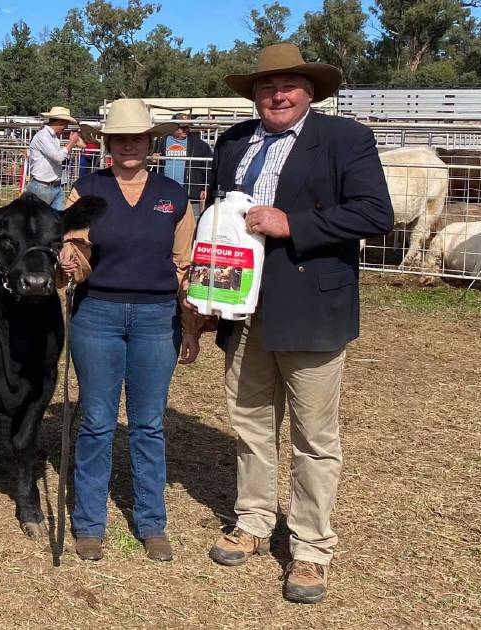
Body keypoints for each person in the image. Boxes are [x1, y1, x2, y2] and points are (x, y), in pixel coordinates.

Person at [200, 43, 393, 604]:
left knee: (313, 437)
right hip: (243, 304)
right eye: (266, 87)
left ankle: (310, 548)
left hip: (310, 304)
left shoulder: (344, 139)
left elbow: (375, 212)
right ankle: (254, 520)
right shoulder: (233, 141)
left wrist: (295, 224)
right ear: (253, 94)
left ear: (310, 92)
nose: (276, 95)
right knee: (251, 423)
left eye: (288, 86)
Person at [58, 98, 202, 564]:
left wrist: (192, 327)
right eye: (119, 139)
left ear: (150, 142)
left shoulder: (173, 196)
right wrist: (69, 261)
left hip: (157, 319)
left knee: (148, 423)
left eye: (136, 138)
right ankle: (89, 526)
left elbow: (184, 266)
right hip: (97, 314)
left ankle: (151, 522)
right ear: (107, 144)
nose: (128, 146)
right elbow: (76, 254)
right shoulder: (85, 190)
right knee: (97, 422)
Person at [27, 106, 84, 212]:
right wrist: (72, 142)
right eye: (66, 123)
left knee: (57, 221)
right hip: (42, 187)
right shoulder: (42, 136)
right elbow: (58, 157)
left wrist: (73, 144)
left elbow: (58, 155)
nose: (66, 126)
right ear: (59, 121)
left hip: (53, 186)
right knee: (38, 222)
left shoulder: (52, 137)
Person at [155, 113, 213, 217]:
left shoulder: (199, 144)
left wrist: (205, 187)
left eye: (188, 126)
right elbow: (151, 161)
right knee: (165, 221)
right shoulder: (161, 141)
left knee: (192, 223)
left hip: (191, 193)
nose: (186, 129)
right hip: (165, 192)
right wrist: (152, 158)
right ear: (173, 127)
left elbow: (208, 167)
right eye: (182, 127)